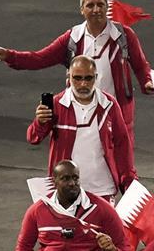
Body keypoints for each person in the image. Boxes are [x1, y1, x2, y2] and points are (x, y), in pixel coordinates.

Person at [0, 0, 152, 141]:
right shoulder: (73, 38)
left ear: (106, 7)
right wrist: (8, 55)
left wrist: (147, 82)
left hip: (116, 116)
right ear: (82, 10)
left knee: (119, 165)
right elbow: (40, 58)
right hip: (80, 116)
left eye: (100, 4)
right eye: (90, 5)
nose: (96, 9)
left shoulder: (124, 35)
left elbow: (140, 65)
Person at [26, 56, 136, 205]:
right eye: (77, 78)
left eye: (88, 78)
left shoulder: (109, 104)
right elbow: (33, 138)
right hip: (66, 191)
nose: (83, 83)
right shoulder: (57, 104)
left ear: (96, 77)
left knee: (104, 229)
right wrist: (40, 122)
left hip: (103, 189)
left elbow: (123, 146)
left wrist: (129, 182)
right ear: (68, 77)